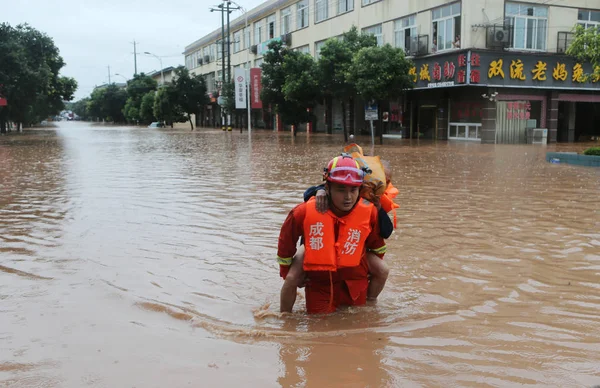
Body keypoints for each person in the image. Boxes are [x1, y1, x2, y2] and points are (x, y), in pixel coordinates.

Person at [278, 154, 388, 314]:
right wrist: (286, 271)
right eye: (341, 190)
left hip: (353, 275)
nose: (348, 197)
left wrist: (366, 269)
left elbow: (377, 244)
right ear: (327, 188)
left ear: (360, 189)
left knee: (362, 317)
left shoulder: (369, 211)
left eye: (353, 190)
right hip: (320, 277)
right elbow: (285, 246)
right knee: (291, 278)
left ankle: (372, 301)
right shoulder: (303, 211)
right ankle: (284, 318)